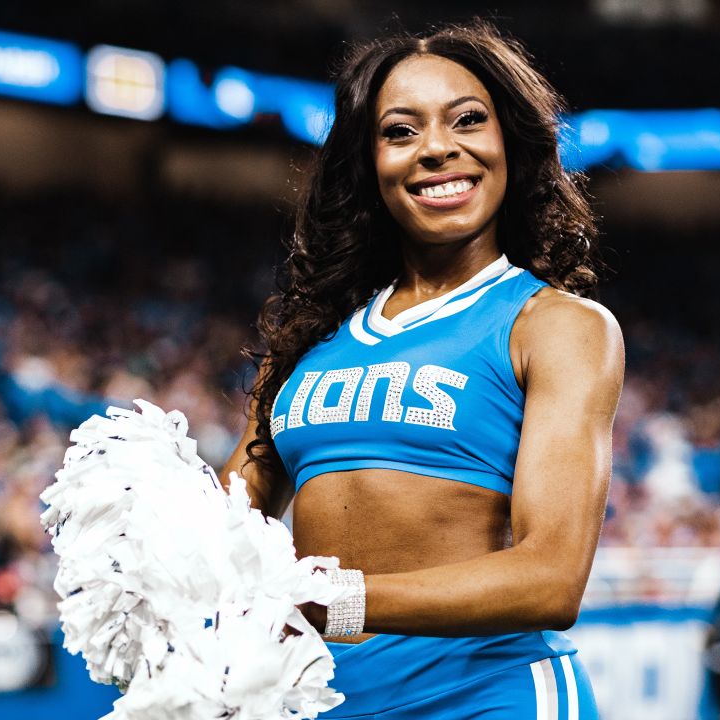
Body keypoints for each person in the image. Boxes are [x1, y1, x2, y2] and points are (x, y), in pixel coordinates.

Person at [220, 20, 624, 719]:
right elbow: (226, 527)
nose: (438, 149)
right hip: (316, 702)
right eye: (400, 131)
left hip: (486, 697)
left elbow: (552, 579)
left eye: (468, 120)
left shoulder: (556, 326)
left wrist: (336, 600)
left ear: (511, 146)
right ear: (367, 163)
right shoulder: (304, 338)